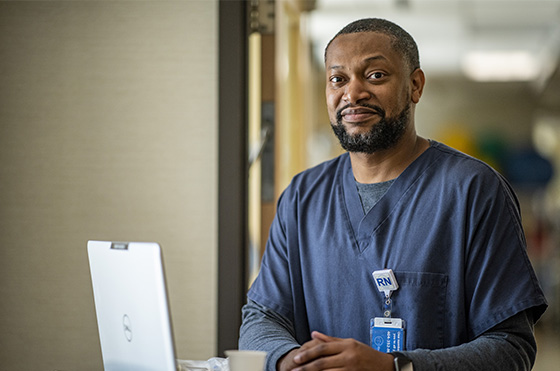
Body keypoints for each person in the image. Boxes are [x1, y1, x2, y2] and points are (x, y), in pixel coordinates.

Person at [239, 18, 548, 371]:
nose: (352, 94)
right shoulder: (301, 197)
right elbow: (262, 316)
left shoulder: (473, 191)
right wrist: (291, 360)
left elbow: (510, 350)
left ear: (415, 86)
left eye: (375, 76)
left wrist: (395, 367)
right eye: (338, 79)